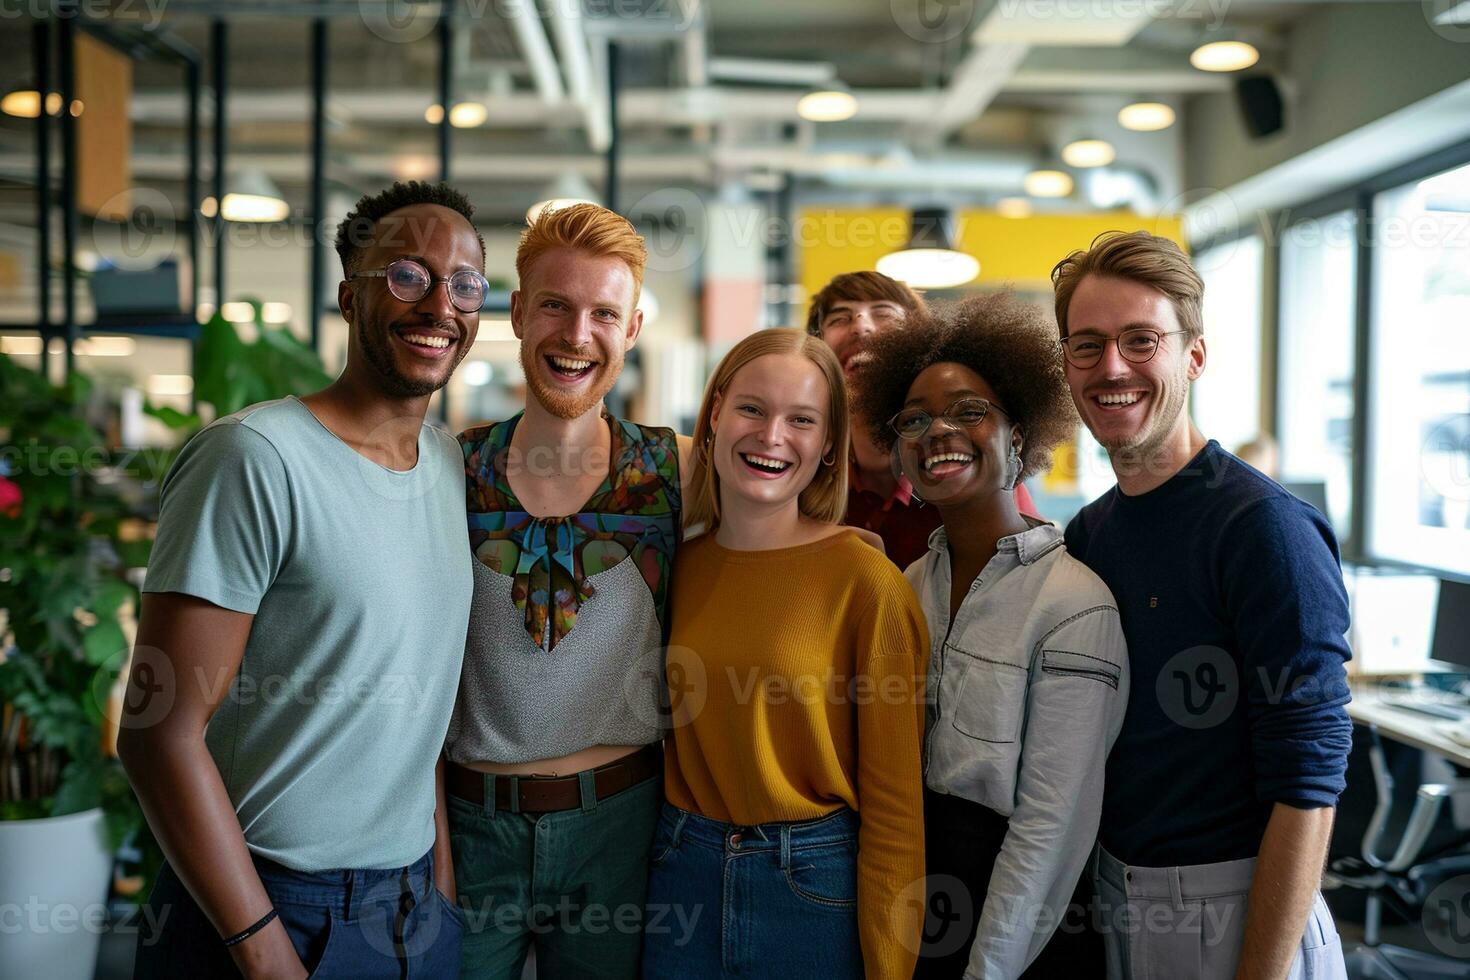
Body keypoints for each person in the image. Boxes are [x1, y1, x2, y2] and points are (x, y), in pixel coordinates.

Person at [121, 180, 485, 978]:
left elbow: (413, 698)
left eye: (465, 283)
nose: (439, 305)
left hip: (413, 910)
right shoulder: (254, 457)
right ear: (350, 295)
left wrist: (440, 891)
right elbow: (156, 734)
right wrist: (265, 953)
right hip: (266, 905)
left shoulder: (451, 466)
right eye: (407, 275)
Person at [1053, 231, 1352, 980]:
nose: (1111, 367)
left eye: (1140, 340)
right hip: (1119, 900)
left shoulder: (1263, 528)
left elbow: (1309, 782)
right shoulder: (1092, 532)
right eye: (1086, 345)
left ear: (1194, 355)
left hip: (1241, 912)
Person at [445, 203, 688, 979]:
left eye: (604, 313)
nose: (577, 335)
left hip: (621, 825)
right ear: (515, 313)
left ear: (634, 328)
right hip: (472, 821)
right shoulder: (450, 473)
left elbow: (788, 532)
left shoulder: (681, 472)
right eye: (555, 304)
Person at [852, 296, 1128, 979]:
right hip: (921, 899)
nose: (936, 431)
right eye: (913, 419)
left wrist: (989, 970)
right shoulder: (909, 583)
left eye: (969, 410)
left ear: (1018, 433)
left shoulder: (1075, 604)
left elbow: (1051, 830)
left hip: (1025, 930)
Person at [642, 328, 928, 980]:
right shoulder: (675, 568)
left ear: (829, 445)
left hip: (813, 887)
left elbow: (896, 816)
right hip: (680, 874)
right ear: (715, 413)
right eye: (751, 408)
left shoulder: (866, 582)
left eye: (801, 419)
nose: (772, 436)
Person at [807, 270, 1039, 566]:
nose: (860, 326)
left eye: (884, 314)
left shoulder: (976, 468)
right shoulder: (806, 471)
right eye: (839, 318)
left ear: (919, 343)